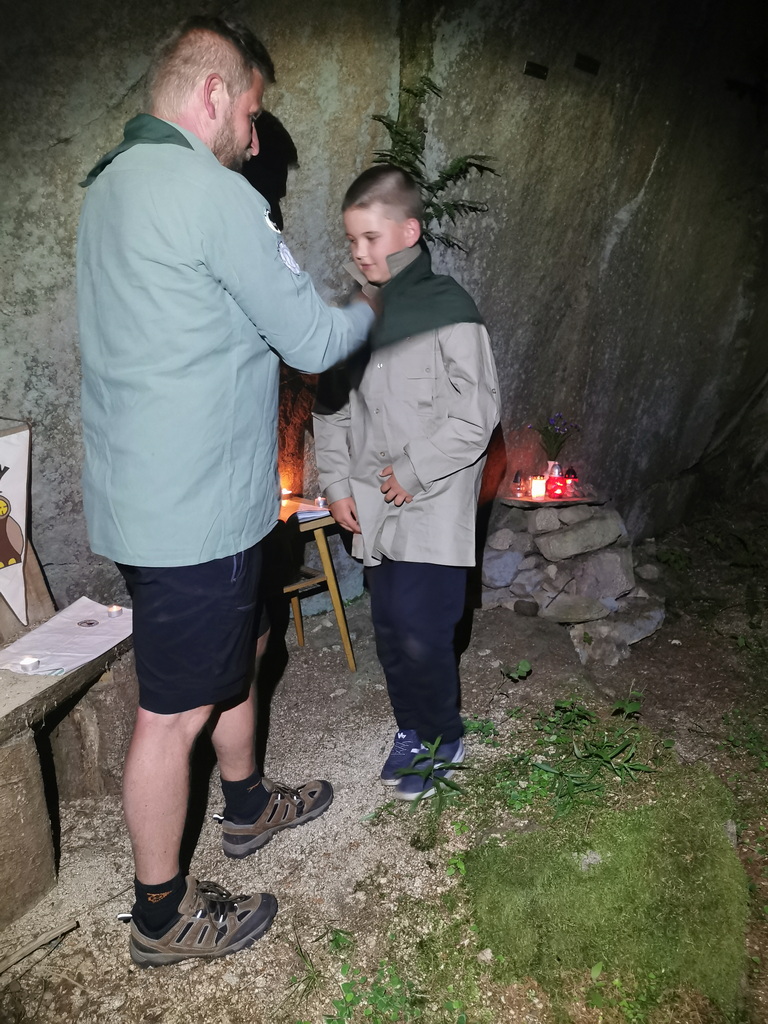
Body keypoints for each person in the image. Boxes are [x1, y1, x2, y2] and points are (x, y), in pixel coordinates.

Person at [76, 16, 375, 968]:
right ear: (213, 93)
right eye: (251, 112)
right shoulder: (213, 193)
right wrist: (373, 299)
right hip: (194, 515)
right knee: (173, 714)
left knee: (245, 649)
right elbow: (315, 342)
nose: (254, 138)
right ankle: (160, 915)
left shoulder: (109, 187)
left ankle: (244, 806)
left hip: (162, 498)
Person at [313, 165, 501, 802]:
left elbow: (477, 414)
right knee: (391, 629)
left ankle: (445, 735)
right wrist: (337, 483)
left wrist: (415, 468)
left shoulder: (450, 307)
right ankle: (412, 729)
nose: (359, 252)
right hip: (373, 504)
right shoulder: (356, 316)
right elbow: (331, 409)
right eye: (352, 240)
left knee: (425, 629)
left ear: (409, 231)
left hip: (435, 498)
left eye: (370, 237)